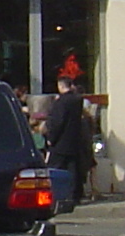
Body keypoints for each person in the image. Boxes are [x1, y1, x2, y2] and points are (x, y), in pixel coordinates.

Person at [40, 76, 95, 213]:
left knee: (53, 169)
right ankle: (74, 196)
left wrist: (51, 137)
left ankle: (52, 196)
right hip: (74, 141)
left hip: (60, 143)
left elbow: (58, 122)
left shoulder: (61, 102)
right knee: (73, 169)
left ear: (60, 86)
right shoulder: (77, 100)